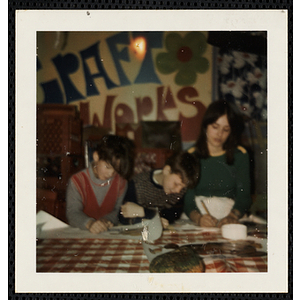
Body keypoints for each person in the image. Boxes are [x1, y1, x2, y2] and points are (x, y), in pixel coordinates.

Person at [184, 99, 252, 228]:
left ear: (231, 132)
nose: (219, 134)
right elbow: (188, 202)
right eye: (215, 127)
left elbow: (244, 198)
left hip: (231, 215)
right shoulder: (190, 155)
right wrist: (198, 219)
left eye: (226, 129)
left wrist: (232, 216)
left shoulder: (240, 155)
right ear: (206, 126)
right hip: (197, 217)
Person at [66, 134, 135, 233]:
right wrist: (90, 224)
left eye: (116, 169)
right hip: (82, 233)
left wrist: (106, 221)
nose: (111, 173)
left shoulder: (121, 183)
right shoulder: (77, 181)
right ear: (96, 157)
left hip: (107, 233)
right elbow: (72, 213)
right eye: (107, 167)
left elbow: (118, 211)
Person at [119, 151, 200, 228]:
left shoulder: (179, 190)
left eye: (183, 187)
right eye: (176, 184)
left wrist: (142, 212)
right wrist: (154, 217)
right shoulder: (137, 184)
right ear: (167, 170)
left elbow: (172, 216)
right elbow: (124, 217)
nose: (178, 191)